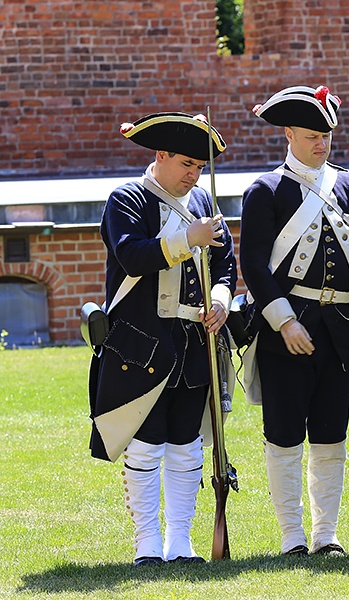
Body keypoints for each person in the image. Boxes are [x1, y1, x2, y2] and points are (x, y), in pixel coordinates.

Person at [240, 85, 349, 556]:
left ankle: (326, 535)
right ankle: (292, 536)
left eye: (326, 135)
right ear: (288, 134)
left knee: (331, 436)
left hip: (339, 332)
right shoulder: (265, 190)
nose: (321, 144)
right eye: (311, 135)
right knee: (284, 436)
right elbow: (254, 266)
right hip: (285, 330)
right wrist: (285, 322)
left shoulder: (347, 186)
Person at [88, 112, 236, 565]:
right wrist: (188, 237)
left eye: (198, 166)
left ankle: (180, 542)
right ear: (161, 156)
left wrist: (221, 298)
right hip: (143, 342)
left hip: (194, 341)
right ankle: (147, 543)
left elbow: (225, 263)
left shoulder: (203, 202)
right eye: (186, 164)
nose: (193, 174)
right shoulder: (127, 198)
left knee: (186, 443)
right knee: (146, 442)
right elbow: (132, 256)